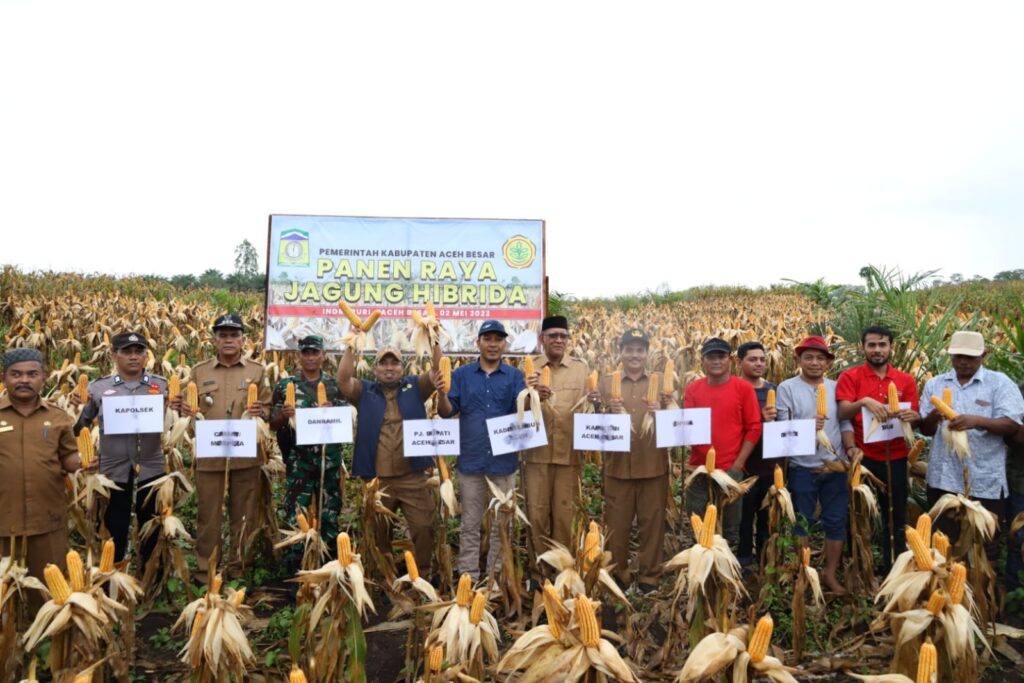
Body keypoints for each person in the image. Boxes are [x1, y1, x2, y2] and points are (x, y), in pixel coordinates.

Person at [173, 313, 268, 583]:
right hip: (210, 454)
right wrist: (183, 408)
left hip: (245, 455)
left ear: (243, 340)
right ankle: (206, 572)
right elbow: (184, 407)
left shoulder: (257, 371)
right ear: (214, 339)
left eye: (234, 335)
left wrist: (264, 410)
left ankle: (239, 570)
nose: (228, 340)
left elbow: (269, 408)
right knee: (208, 516)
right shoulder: (199, 371)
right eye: (223, 335)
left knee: (244, 516)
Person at [337, 341, 441, 576]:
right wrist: (352, 346)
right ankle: (386, 576)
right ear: (375, 370)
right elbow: (343, 381)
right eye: (383, 363)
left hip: (412, 477)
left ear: (403, 369)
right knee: (379, 532)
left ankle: (423, 574)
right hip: (378, 480)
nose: (389, 368)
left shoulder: (416, 387)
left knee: (424, 527)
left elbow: (438, 371)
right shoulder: (365, 392)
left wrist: (433, 339)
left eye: (395, 363)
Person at [437, 320, 525, 581]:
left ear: (504, 344)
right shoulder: (462, 375)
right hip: (472, 461)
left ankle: (496, 577)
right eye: (488, 339)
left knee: (502, 526)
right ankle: (469, 577)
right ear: (478, 343)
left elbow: (525, 411)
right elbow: (446, 411)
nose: (493, 344)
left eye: (498, 339)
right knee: (470, 525)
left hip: (504, 463)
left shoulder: (515, 377)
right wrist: (441, 393)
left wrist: (534, 394)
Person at [72, 331, 168, 568]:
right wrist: (76, 408)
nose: (133, 357)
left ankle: (151, 576)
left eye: (139, 351)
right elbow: (79, 427)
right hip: (113, 467)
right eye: (126, 351)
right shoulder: (98, 388)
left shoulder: (162, 386)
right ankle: (111, 575)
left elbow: (176, 420)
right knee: (114, 524)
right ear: (113, 354)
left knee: (153, 523)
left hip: (151, 464)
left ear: (147, 355)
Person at [919, 331, 1023, 547]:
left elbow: (1011, 424)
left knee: (986, 545)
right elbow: (926, 430)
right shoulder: (935, 384)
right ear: (950, 356)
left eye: (970, 357)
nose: (963, 362)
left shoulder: (999, 384)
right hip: (943, 478)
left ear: (984, 355)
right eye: (958, 357)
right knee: (943, 543)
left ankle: (981, 581)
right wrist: (933, 417)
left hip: (985, 480)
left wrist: (977, 421)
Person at [776, 336, 856, 594]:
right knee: (802, 521)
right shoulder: (786, 388)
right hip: (802, 467)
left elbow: (844, 422)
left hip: (834, 466)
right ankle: (803, 569)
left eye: (820, 358)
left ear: (828, 363)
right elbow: (781, 428)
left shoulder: (837, 387)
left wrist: (851, 447)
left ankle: (830, 574)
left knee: (836, 520)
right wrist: (806, 426)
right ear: (798, 360)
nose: (814, 362)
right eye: (808, 357)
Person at [593, 328, 672, 593]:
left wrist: (663, 411)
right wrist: (605, 409)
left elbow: (678, 421)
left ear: (647, 353)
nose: (635, 355)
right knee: (617, 525)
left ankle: (650, 577)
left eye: (640, 350)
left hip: (653, 465)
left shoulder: (663, 382)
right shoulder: (606, 382)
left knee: (652, 523)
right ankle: (620, 575)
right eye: (629, 349)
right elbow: (592, 425)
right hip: (618, 467)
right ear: (621, 352)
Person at [836, 324, 920, 570]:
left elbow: (915, 416)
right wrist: (863, 401)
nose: (877, 350)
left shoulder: (906, 380)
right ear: (863, 348)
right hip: (862, 457)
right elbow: (842, 412)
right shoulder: (850, 377)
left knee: (894, 514)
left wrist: (912, 417)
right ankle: (859, 566)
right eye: (871, 345)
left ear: (891, 347)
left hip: (895, 457)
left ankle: (892, 564)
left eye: (882, 345)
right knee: (858, 513)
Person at [0, 348, 81, 584]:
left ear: (43, 378)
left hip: (46, 519)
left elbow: (68, 457)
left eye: (32, 374)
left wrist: (84, 462)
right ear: (4, 378)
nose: (24, 380)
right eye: (16, 374)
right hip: (4, 519)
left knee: (46, 591)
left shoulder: (58, 417)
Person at [520, 315, 589, 585]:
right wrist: (531, 395)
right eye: (552, 336)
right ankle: (539, 574)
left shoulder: (581, 369)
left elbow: (590, 408)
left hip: (569, 454)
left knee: (564, 515)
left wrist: (595, 401)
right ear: (542, 340)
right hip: (536, 454)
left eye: (563, 336)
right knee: (536, 515)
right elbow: (517, 410)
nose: (558, 340)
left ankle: (563, 573)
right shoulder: (528, 368)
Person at [269, 335, 347, 561]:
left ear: (323, 355)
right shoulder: (285, 386)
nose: (311, 357)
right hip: (299, 463)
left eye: (315, 352)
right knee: (296, 514)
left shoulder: (334, 386)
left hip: (329, 462)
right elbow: (272, 424)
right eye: (306, 353)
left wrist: (332, 411)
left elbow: (347, 419)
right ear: (298, 356)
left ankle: (328, 560)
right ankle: (296, 564)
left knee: (329, 514)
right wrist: (283, 416)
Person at [683, 337, 763, 549]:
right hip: (699, 469)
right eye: (711, 357)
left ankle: (727, 573)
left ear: (730, 360)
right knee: (699, 524)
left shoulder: (743, 388)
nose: (716, 361)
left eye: (721, 356)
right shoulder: (692, 389)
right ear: (702, 360)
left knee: (729, 527)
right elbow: (686, 426)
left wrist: (738, 465)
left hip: (731, 468)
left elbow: (754, 428)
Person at [735, 341, 777, 570]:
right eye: (753, 359)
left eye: (762, 359)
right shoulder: (734, 389)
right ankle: (743, 559)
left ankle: (764, 558)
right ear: (739, 362)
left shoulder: (773, 389)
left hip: (770, 465)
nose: (759, 363)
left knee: (766, 516)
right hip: (744, 464)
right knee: (743, 516)